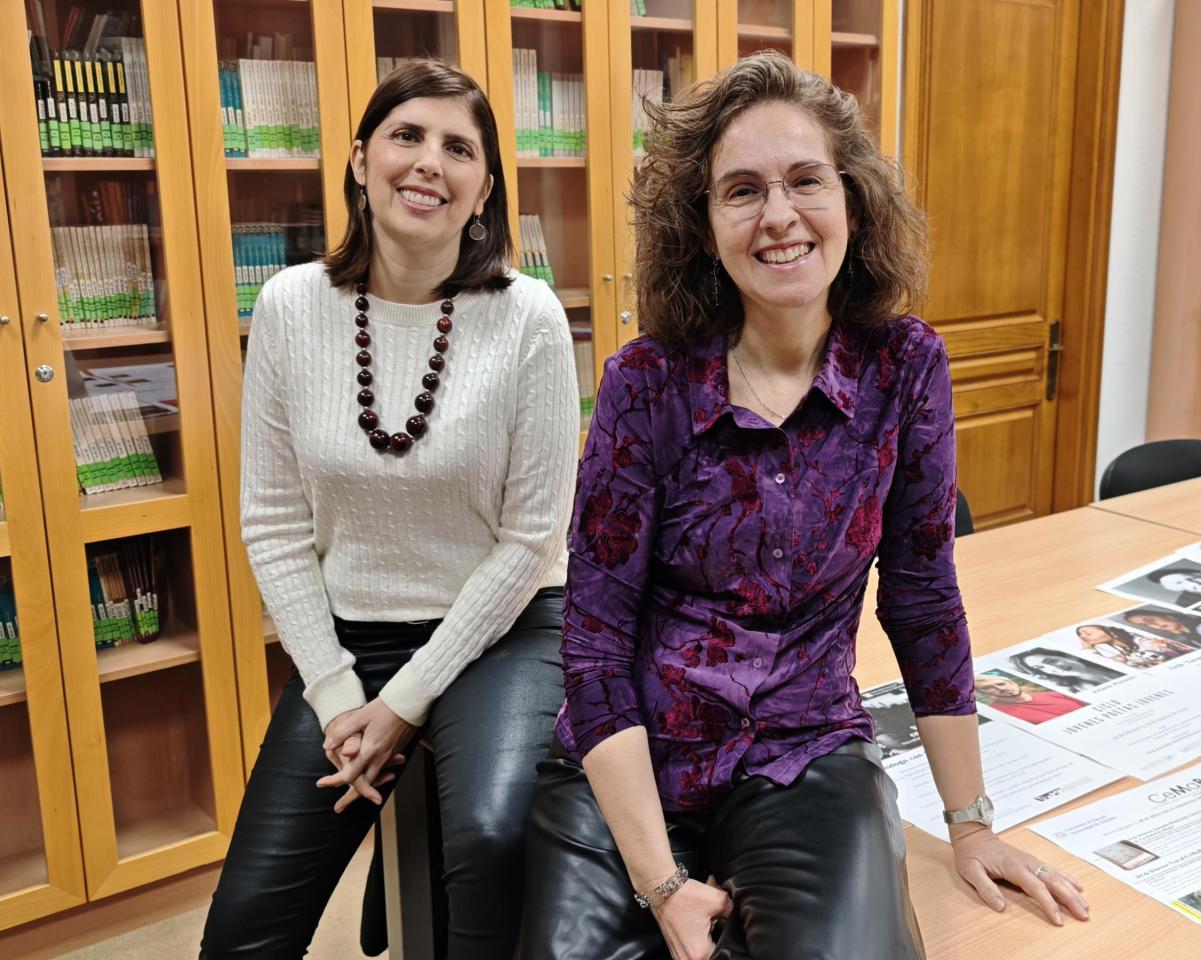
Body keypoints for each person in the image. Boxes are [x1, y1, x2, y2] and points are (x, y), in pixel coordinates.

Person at [519, 53, 1088, 960]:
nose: (778, 215)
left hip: (803, 751)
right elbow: (593, 647)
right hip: (630, 759)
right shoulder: (646, 384)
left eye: (805, 181)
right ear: (704, 226)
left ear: (852, 203)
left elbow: (922, 598)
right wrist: (662, 884)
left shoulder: (905, 369)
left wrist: (971, 822)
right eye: (741, 190)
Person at [202, 61, 578, 958]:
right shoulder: (290, 306)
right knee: (244, 929)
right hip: (348, 636)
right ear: (362, 159)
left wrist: (404, 703)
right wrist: (338, 697)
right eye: (408, 135)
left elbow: (532, 542)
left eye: (459, 148)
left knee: (488, 840)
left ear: (484, 188)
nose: (428, 163)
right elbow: (274, 525)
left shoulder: (530, 320)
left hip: (504, 628)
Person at [974, 674, 1089, 725]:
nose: (1000, 688)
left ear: (1012, 682)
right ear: (982, 693)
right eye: (988, 688)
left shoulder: (1055, 694)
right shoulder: (999, 714)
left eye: (1001, 683)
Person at [1009, 649, 1124, 694]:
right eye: (1041, 668)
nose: (1054, 668)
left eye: (1051, 661)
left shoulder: (1117, 663)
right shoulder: (1077, 691)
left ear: (1069, 656)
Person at [1120, 607, 1201, 648]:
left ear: (1170, 617)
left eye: (1150, 620)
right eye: (1146, 625)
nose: (1153, 625)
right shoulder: (1188, 639)